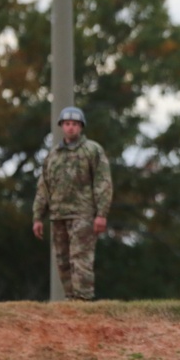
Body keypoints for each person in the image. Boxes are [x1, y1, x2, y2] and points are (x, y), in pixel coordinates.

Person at [32, 106, 112, 301]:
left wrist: (101, 213)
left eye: (74, 124)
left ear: (81, 127)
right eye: (67, 124)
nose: (70, 128)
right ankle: (71, 300)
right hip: (58, 214)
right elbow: (43, 187)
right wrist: (37, 216)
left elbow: (103, 183)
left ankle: (83, 300)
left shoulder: (92, 150)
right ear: (61, 126)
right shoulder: (53, 155)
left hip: (83, 215)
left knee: (80, 259)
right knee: (62, 261)